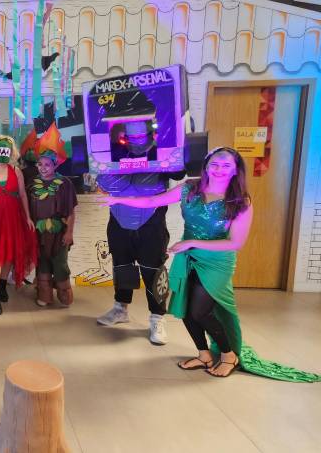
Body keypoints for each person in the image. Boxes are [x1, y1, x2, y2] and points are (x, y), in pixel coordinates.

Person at [101, 147, 321, 382]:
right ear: (206, 165)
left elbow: (235, 243)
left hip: (217, 262)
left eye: (226, 166)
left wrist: (191, 243)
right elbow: (154, 200)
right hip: (188, 258)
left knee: (200, 311)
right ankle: (204, 355)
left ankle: (228, 356)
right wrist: (117, 199)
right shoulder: (190, 189)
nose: (219, 170)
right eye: (214, 164)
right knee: (185, 309)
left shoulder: (240, 201)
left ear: (235, 170)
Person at [95, 119, 182, 345]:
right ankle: (120, 308)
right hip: (118, 218)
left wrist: (172, 146)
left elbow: (179, 171)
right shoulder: (115, 151)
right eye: (131, 136)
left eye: (140, 136)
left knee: (153, 270)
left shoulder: (162, 152)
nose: (136, 141)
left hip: (151, 222)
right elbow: (95, 166)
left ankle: (157, 318)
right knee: (122, 265)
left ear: (149, 133)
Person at [0, 136, 37, 315]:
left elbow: (23, 195)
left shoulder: (16, 171)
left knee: (9, 255)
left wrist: (28, 217)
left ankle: (2, 285)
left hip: (13, 218)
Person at [26, 123, 77, 307]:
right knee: (42, 263)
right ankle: (44, 295)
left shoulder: (65, 183)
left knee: (60, 264)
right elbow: (27, 209)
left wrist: (69, 232)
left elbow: (71, 211)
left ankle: (64, 295)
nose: (43, 167)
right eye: (40, 164)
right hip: (39, 232)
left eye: (47, 164)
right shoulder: (32, 184)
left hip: (59, 231)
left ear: (55, 164)